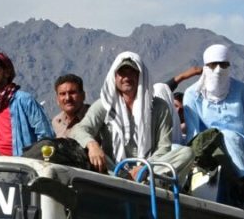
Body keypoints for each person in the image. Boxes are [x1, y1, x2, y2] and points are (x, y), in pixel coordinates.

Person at [70, 51, 194, 185]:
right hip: (114, 170)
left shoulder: (159, 107)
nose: (126, 77)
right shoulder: (105, 105)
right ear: (115, 76)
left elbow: (163, 148)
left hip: (148, 170)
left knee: (187, 153)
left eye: (132, 72)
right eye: (122, 73)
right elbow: (79, 130)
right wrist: (92, 145)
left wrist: (144, 167)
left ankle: (148, 181)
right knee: (83, 150)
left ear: (140, 75)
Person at [182, 44, 244, 207]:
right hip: (209, 149)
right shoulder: (192, 95)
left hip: (240, 147)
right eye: (213, 65)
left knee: (229, 136)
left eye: (223, 65)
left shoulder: (243, 91)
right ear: (205, 67)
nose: (218, 70)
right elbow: (193, 133)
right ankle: (240, 186)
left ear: (229, 66)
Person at [52, 73, 90, 138]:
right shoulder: (57, 122)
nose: (68, 98)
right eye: (63, 94)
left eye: (72, 93)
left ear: (83, 95)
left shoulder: (94, 118)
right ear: (57, 99)